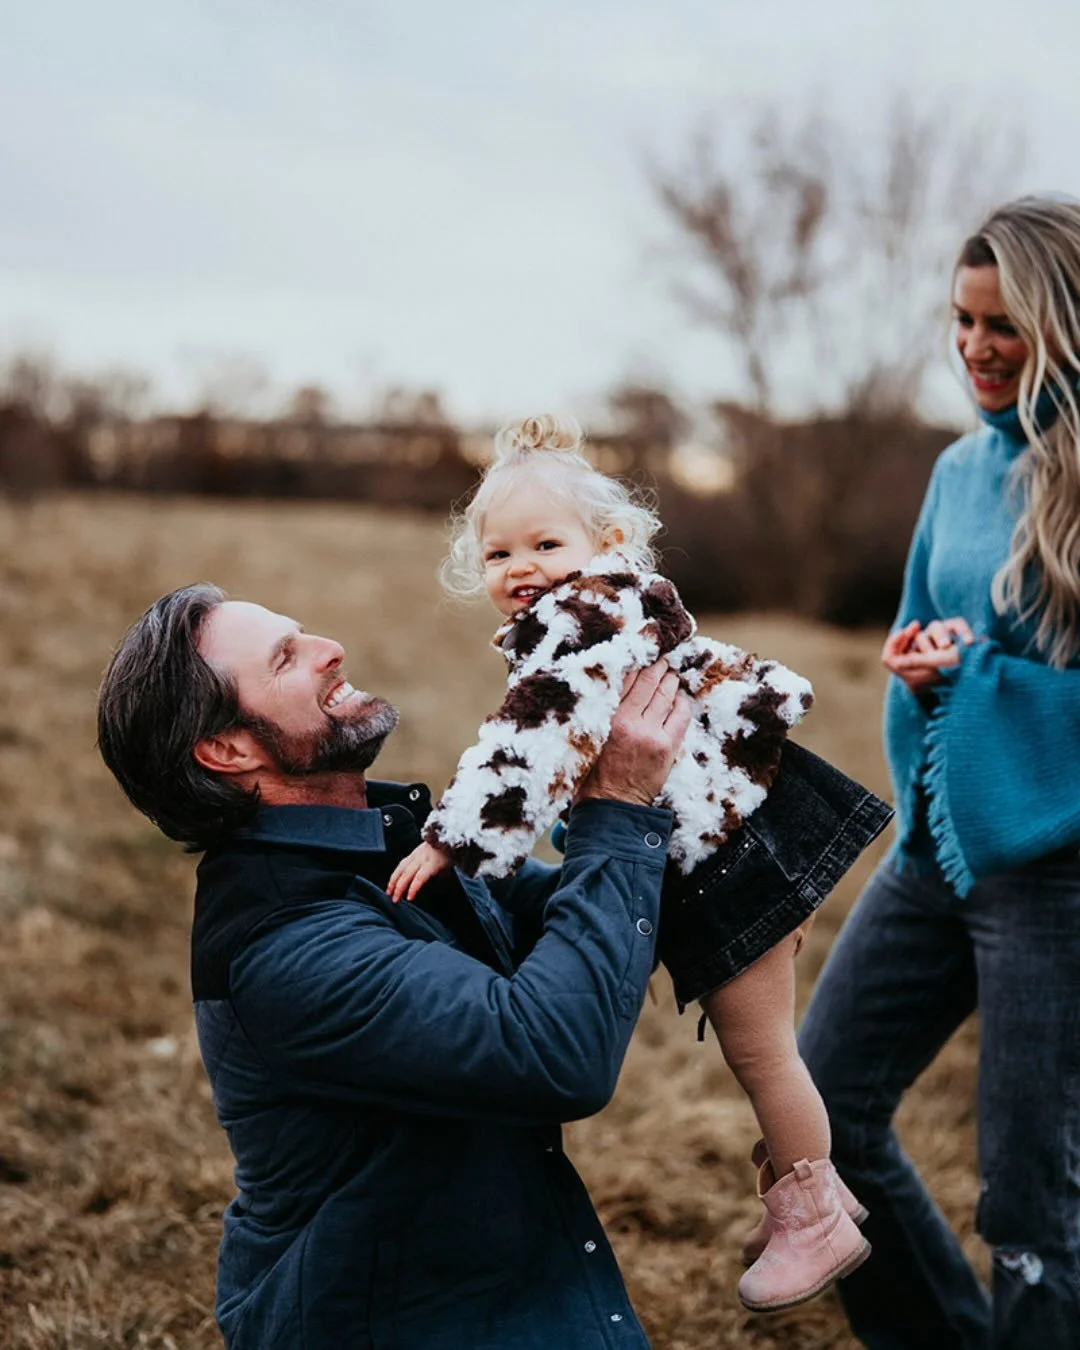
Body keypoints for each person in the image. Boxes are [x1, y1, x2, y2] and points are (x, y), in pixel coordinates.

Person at [97, 581, 691, 1350]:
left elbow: (588, 916)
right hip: (395, 1322)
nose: (329, 647)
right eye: (286, 658)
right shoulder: (287, 946)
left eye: (302, 629)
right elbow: (554, 1049)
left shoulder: (388, 846)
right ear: (229, 750)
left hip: (510, 1294)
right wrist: (615, 805)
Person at [386, 415, 892, 1311]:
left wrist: (454, 838)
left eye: (546, 542)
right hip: (747, 836)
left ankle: (813, 1212)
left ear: (606, 541)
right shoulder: (615, 606)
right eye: (500, 553)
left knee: (763, 1049)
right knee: (766, 1045)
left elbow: (530, 741)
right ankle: (807, 1200)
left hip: (734, 859)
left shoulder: (579, 625)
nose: (522, 567)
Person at [798, 194, 1080, 1350]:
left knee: (1031, 1198)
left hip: (1057, 876)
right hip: (938, 847)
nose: (975, 347)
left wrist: (989, 684)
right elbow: (922, 626)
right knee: (818, 1113)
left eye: (1003, 324)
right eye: (961, 322)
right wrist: (923, 669)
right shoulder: (959, 470)